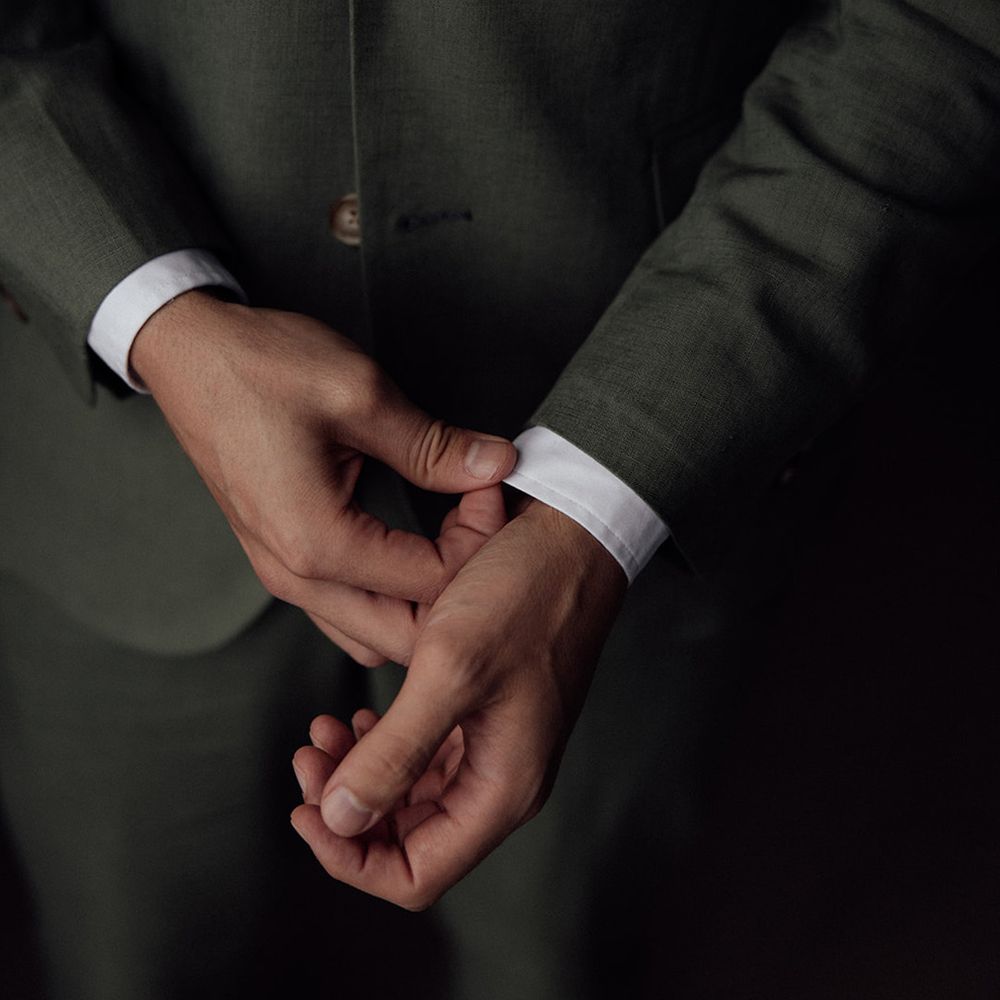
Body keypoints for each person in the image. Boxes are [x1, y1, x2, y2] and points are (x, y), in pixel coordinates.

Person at [1, 0, 997, 997]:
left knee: (556, 959)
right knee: (125, 963)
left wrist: (599, 499)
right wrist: (153, 315)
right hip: (114, 472)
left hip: (664, 415)